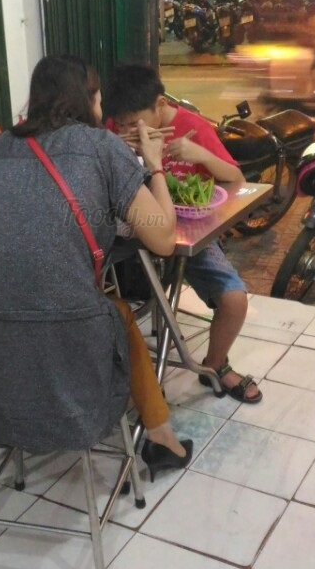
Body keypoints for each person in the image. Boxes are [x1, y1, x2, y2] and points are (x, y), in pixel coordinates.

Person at [0, 56, 192, 480]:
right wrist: (154, 163)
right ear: (87, 99)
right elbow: (163, 239)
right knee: (117, 314)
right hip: (70, 331)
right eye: (97, 96)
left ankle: (148, 433)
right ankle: (161, 437)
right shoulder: (102, 146)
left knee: (102, 309)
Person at [104, 64, 262, 404]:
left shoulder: (192, 128)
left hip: (186, 231)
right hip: (129, 231)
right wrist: (113, 143)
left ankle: (215, 365)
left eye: (134, 123)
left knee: (234, 299)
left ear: (160, 104)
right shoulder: (112, 132)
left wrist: (199, 154)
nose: (128, 131)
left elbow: (236, 180)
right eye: (120, 125)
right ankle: (128, 374)